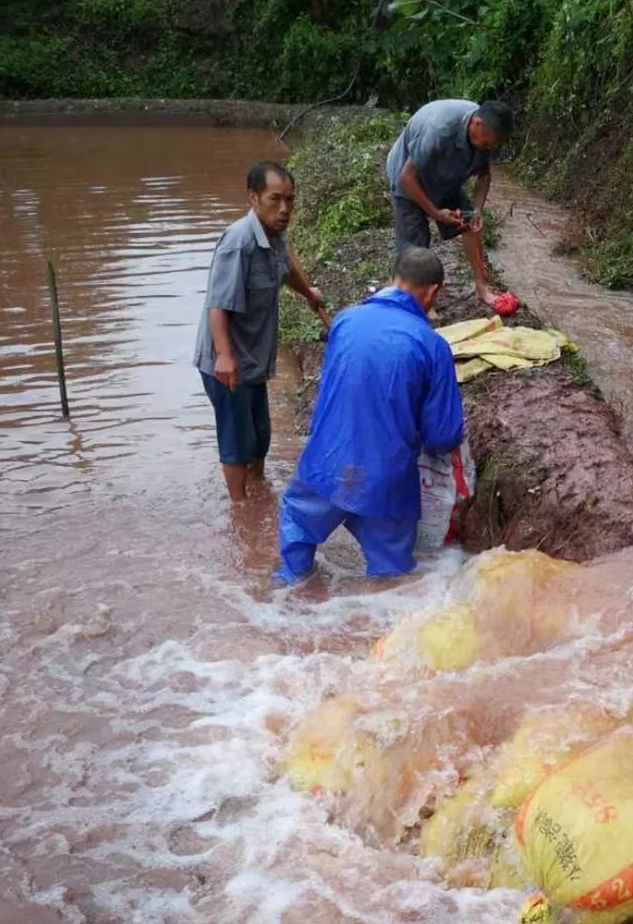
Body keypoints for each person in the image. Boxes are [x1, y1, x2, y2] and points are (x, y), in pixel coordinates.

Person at [275, 248, 464, 582]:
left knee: (296, 547)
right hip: (385, 480)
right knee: (391, 580)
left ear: (395, 278)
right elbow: (442, 436)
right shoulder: (433, 346)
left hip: (324, 467)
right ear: (432, 291)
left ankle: (286, 594)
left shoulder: (345, 320)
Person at [194, 161, 324, 501]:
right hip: (227, 362)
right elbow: (217, 305)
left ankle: (260, 495)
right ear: (253, 198)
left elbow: (287, 264)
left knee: (260, 437)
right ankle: (241, 515)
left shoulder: (276, 234)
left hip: (253, 359)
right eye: (275, 199)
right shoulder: (238, 244)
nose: (284, 209)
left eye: (290, 200)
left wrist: (308, 292)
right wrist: (223, 355)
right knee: (237, 442)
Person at [386, 98, 514, 309]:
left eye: (492, 145)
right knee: (415, 247)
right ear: (477, 124)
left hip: (446, 176)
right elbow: (407, 178)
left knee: (471, 224)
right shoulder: (439, 130)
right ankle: (417, 303)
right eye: (487, 143)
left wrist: (477, 211)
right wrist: (435, 213)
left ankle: (481, 287)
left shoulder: (485, 133)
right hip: (408, 179)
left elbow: (484, 176)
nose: (488, 148)